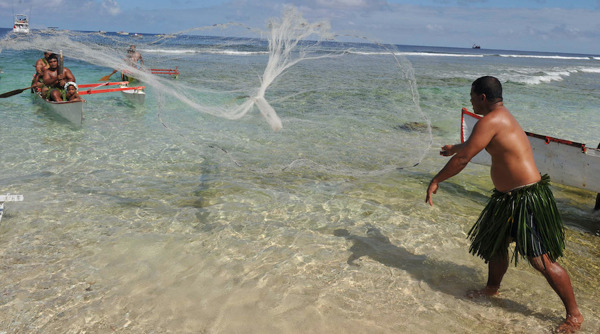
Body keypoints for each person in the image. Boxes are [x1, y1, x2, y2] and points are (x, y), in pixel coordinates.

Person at [425, 76, 583, 333]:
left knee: (541, 261)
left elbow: (465, 159)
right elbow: (471, 147)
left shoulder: (491, 121)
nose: (470, 101)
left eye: (472, 96)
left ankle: (574, 315)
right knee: (495, 245)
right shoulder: (498, 118)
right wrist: (455, 146)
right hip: (508, 199)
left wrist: (436, 179)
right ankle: (492, 288)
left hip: (526, 199)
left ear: (482, 97)